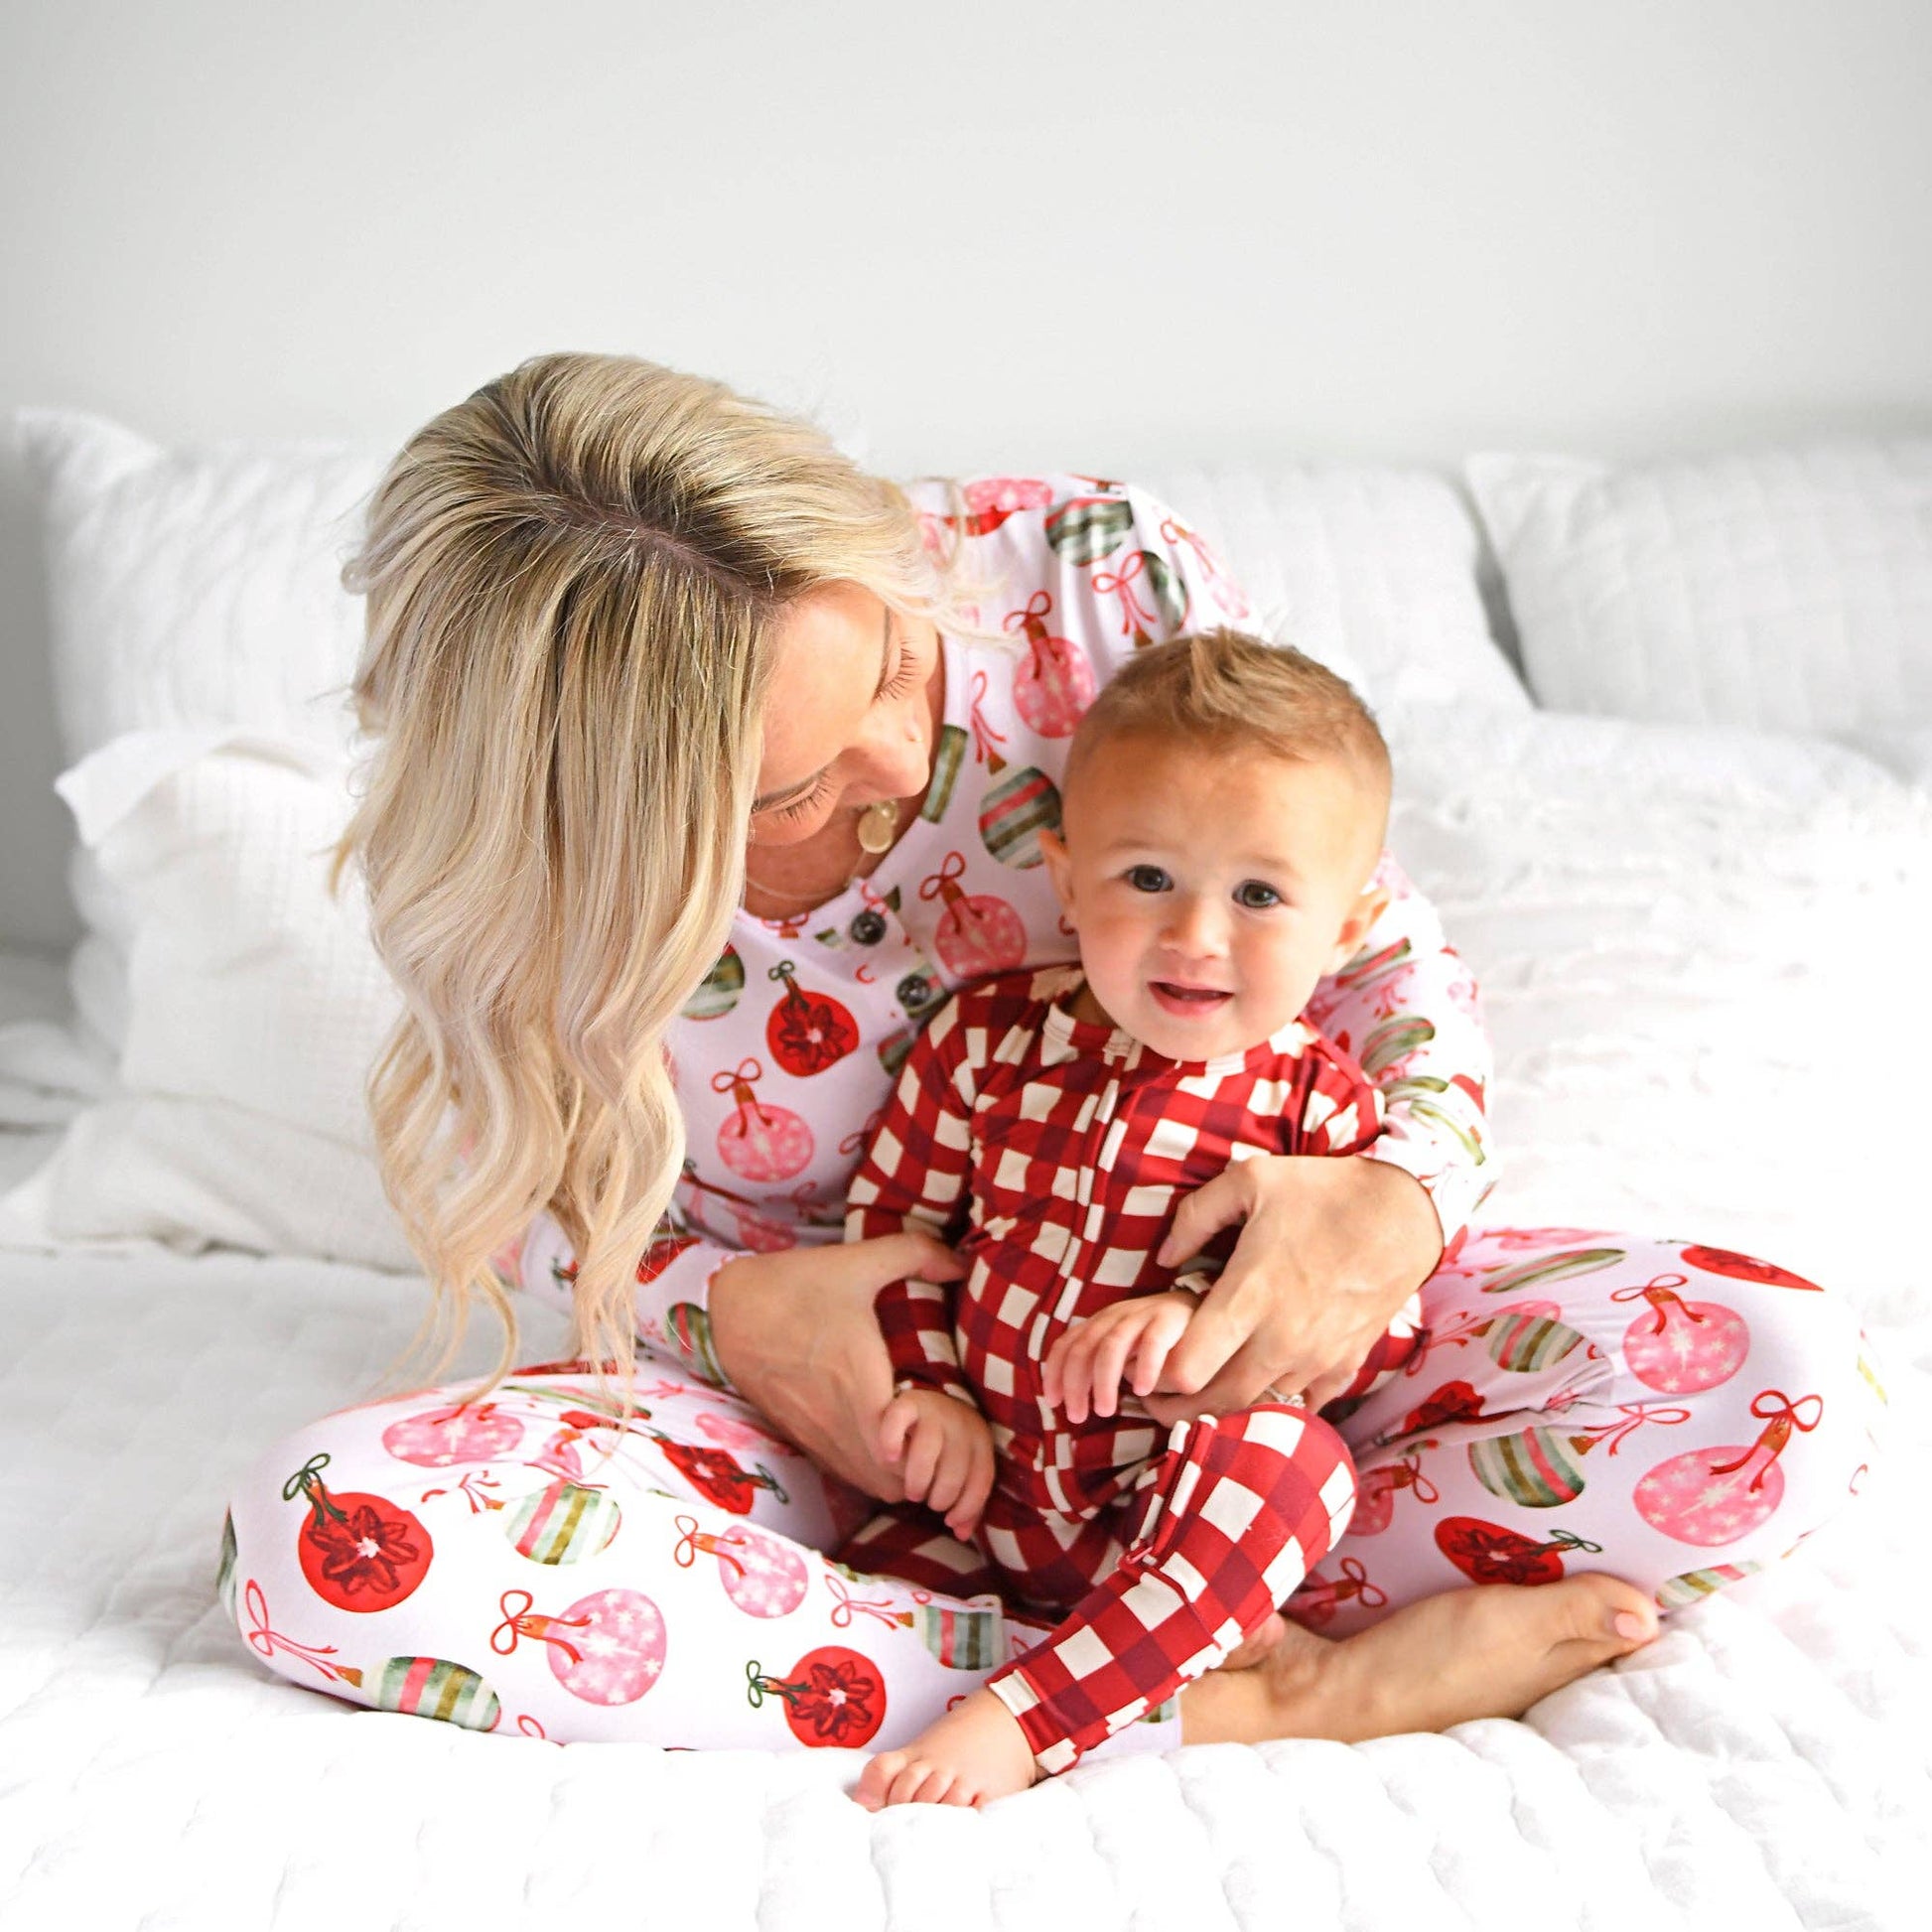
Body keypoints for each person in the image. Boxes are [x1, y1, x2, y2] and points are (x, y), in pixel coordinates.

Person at [219, 351, 1882, 1778]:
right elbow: (529, 1196)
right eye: (790, 791)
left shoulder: (1080, 580)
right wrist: (724, 1311)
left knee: (1779, 1375)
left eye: (891, 664)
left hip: (1241, 1382)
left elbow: (1363, 935)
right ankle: (1225, 1683)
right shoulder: (524, 870)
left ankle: (1056, 1648)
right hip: (850, 1445)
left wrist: (1397, 1196)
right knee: (326, 1538)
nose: (903, 760)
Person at [842, 627, 1434, 1806]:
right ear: (1067, 881)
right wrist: (931, 1389)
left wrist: (1194, 1317)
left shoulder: (1320, 1107)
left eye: (1258, 894)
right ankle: (1168, 1681)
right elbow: (893, 1230)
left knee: (1295, 1471)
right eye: (1147, 878)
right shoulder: (984, 1042)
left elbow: (1375, 1329)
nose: (1195, 935)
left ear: (1346, 926)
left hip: (1167, 1513)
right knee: (831, 1588)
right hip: (978, 1502)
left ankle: (1026, 1717)